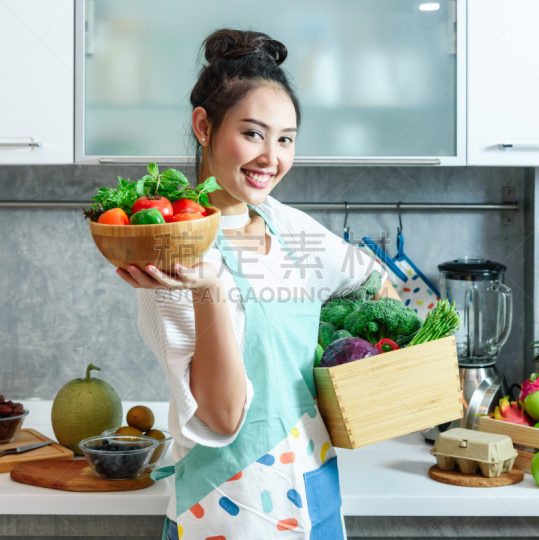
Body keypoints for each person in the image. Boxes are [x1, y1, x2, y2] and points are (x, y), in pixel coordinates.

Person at [118, 28, 401, 540]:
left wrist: (360, 359)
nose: (271, 156)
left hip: (312, 488)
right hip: (229, 507)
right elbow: (222, 419)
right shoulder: (171, 252)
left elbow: (374, 281)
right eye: (252, 133)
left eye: (285, 138)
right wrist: (207, 289)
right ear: (204, 126)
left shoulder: (287, 226)